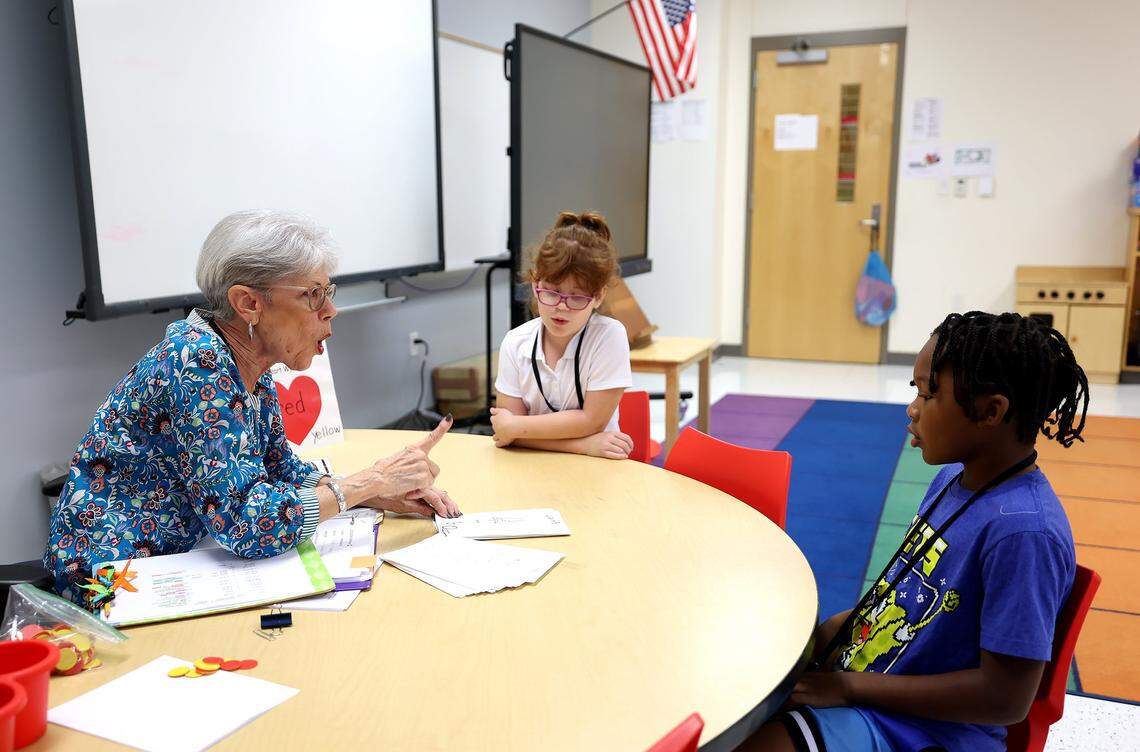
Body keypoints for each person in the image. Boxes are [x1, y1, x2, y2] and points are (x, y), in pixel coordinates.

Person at [44, 210, 459, 608]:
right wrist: (369, 483)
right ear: (248, 304)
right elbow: (247, 524)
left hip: (175, 561)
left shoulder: (249, 365)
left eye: (327, 293)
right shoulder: (198, 361)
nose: (330, 310)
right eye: (314, 295)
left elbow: (283, 473)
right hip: (112, 580)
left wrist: (378, 494)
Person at [743, 311, 1089, 752]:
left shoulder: (1024, 534)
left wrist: (850, 688)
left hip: (925, 732)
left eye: (928, 393)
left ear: (990, 411)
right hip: (877, 687)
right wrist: (814, 638)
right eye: (915, 390)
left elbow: (1005, 698)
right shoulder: (953, 479)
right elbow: (905, 603)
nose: (913, 408)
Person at [491, 211, 634, 459]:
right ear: (536, 285)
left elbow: (592, 422)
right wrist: (583, 446)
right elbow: (507, 436)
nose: (561, 306)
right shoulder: (515, 342)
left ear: (598, 296)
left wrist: (517, 428)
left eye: (577, 297)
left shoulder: (609, 336)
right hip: (529, 467)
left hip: (598, 471)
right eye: (552, 292)